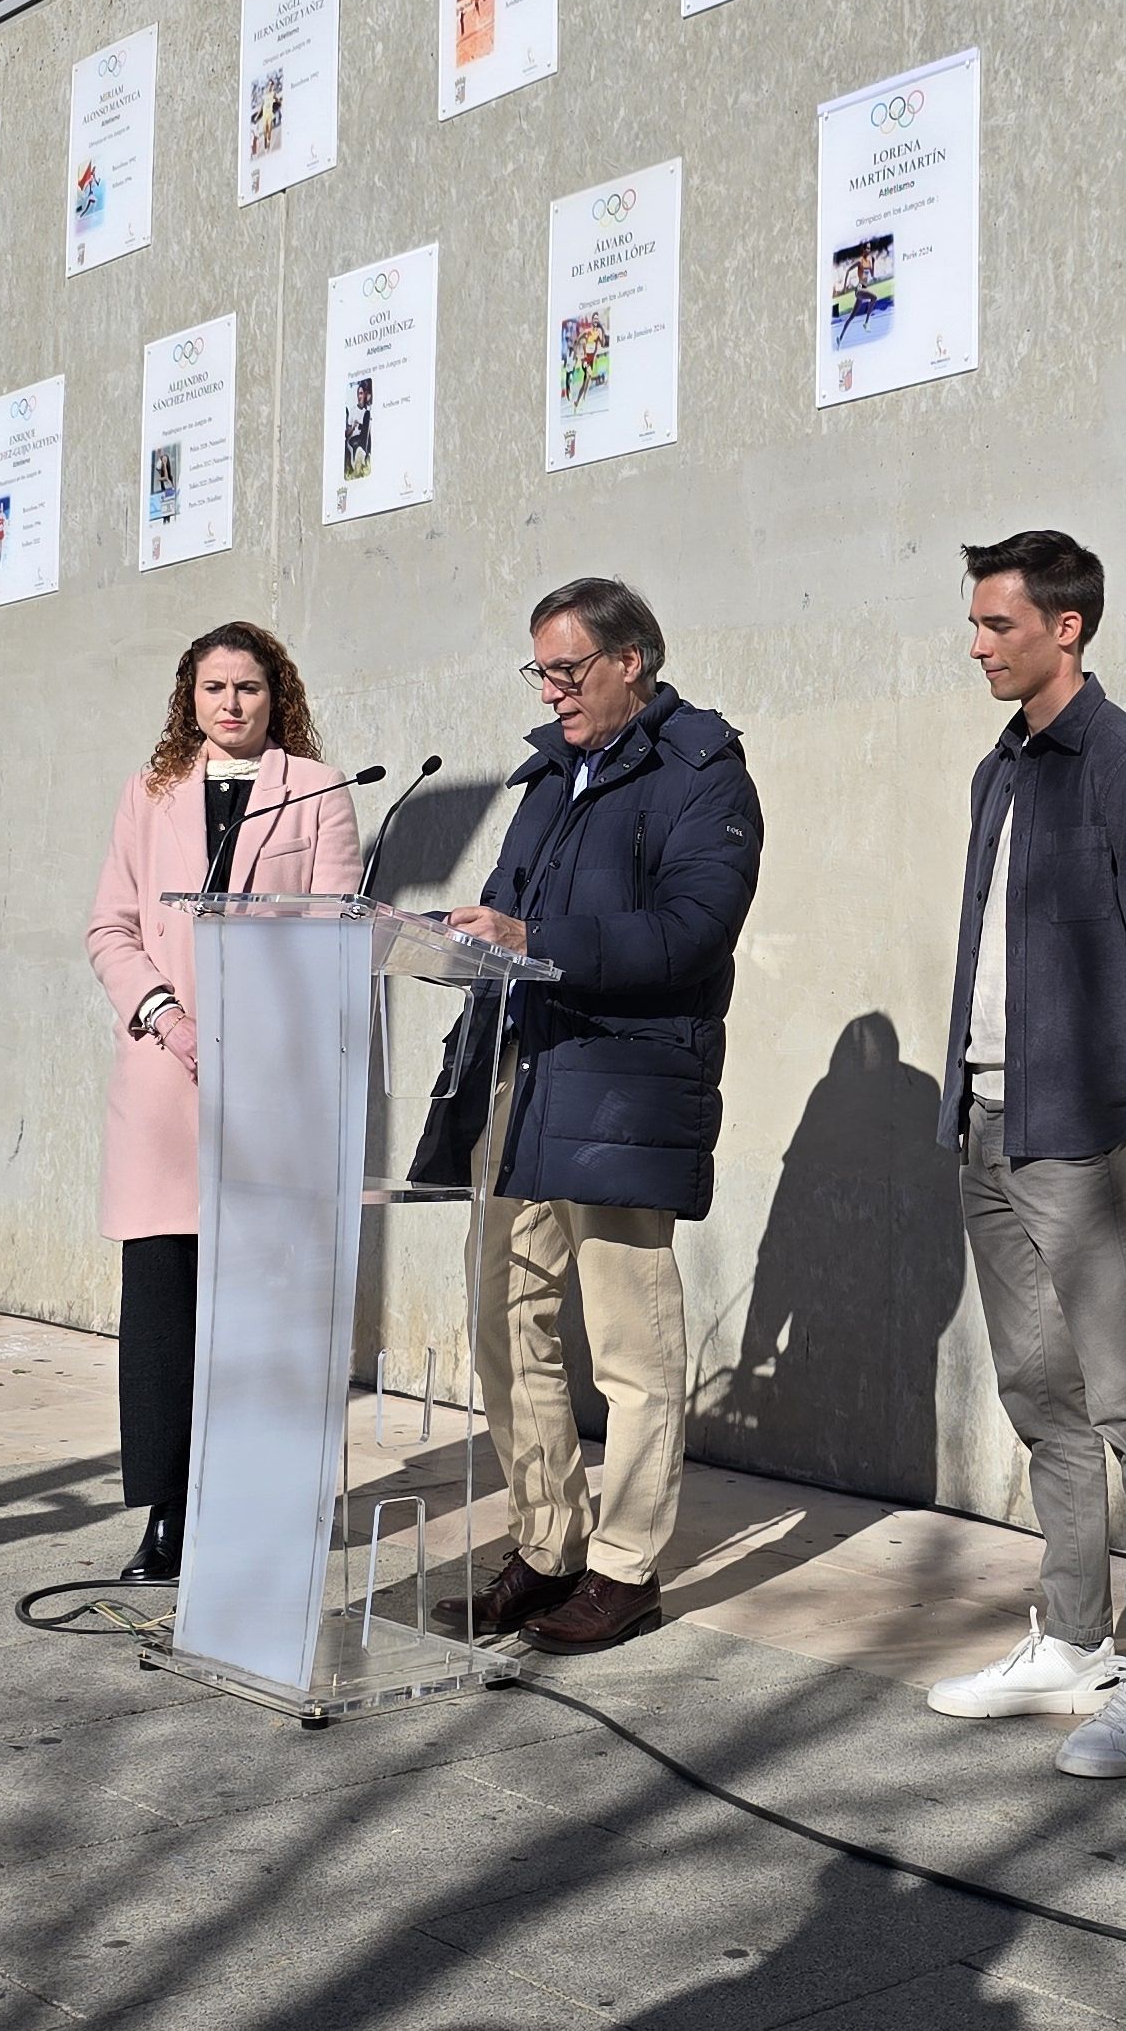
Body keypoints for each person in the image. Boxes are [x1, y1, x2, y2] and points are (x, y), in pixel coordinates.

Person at [411, 578, 764, 1657]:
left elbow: (694, 928)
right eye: (542, 670)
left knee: (629, 1342)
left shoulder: (702, 774)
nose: (553, 689)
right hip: (520, 1077)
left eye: (569, 668)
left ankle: (625, 1567)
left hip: (619, 1084)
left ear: (633, 660)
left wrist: (531, 934)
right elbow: (511, 913)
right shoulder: (548, 776)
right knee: (504, 1321)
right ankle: (545, 1540)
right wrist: (459, 938)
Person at [919, 532, 1126, 1779]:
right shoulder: (1004, 766)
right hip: (988, 1116)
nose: (978, 643)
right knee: (1042, 1398)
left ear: (1067, 629)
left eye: (998, 624)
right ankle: (1077, 1636)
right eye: (976, 622)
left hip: (1081, 1128)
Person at [84, 622, 365, 1583]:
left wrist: (260, 1028)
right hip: (169, 1079)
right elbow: (111, 928)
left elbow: (333, 927)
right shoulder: (150, 792)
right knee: (165, 1304)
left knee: (260, 1303)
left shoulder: (321, 792)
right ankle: (165, 1513)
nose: (231, 705)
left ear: (274, 696)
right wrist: (170, 1019)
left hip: (271, 1082)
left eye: (248, 688)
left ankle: (260, 1503)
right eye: (214, 689)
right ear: (189, 697)